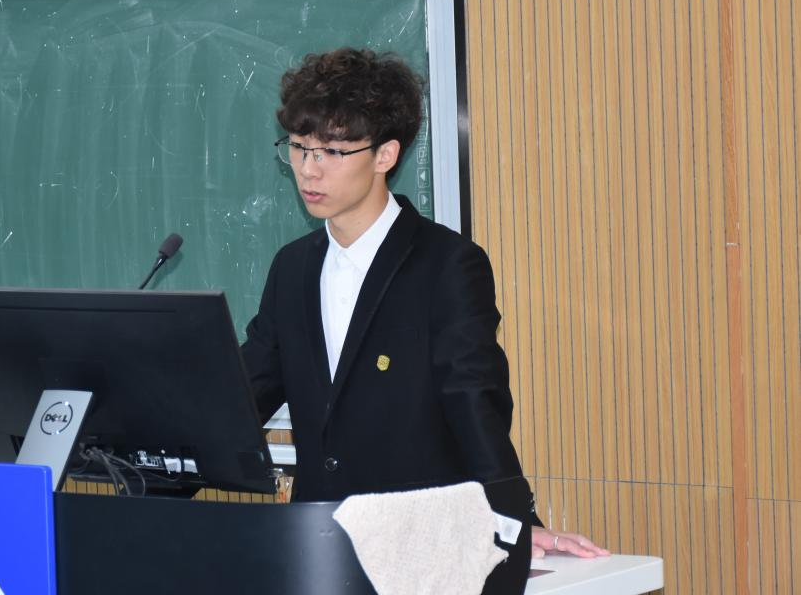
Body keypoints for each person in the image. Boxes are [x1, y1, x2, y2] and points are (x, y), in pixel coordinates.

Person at [241, 47, 606, 560]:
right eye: (299, 148)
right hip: (317, 547)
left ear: (385, 156)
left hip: (423, 550)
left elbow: (474, 403)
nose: (308, 170)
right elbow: (244, 395)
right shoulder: (292, 268)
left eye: (331, 152)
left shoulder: (447, 265)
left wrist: (516, 520)